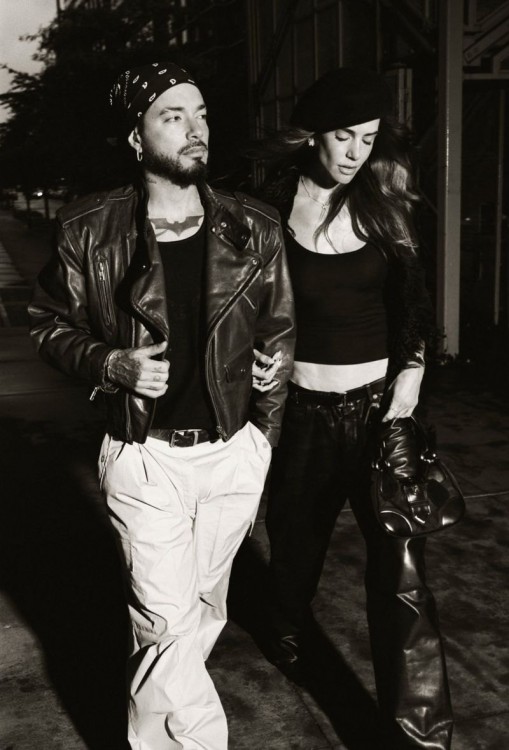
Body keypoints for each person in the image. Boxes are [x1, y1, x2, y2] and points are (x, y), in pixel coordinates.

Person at [28, 61, 295, 750]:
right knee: (168, 622)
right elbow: (46, 322)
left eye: (200, 113)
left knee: (195, 617)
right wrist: (110, 363)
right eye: (173, 116)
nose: (195, 128)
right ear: (136, 137)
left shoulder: (254, 226)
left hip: (232, 454)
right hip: (145, 456)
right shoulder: (90, 228)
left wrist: (262, 433)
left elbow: (279, 331)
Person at [252, 68, 454, 749]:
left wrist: (410, 382)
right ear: (313, 134)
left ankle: (419, 733)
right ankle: (285, 630)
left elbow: (413, 308)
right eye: (343, 136)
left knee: (402, 575)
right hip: (302, 417)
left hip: (380, 417)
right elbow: (242, 307)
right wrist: (253, 360)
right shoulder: (266, 210)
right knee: (293, 557)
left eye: (367, 139)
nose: (355, 153)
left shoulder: (383, 204)